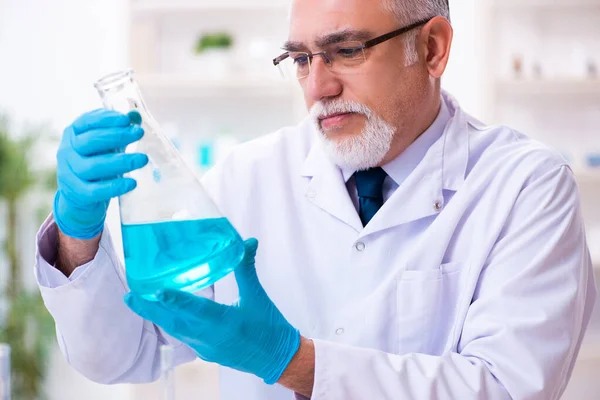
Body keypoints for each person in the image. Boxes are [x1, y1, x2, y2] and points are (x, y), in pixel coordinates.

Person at [34, 0, 596, 399]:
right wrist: (77, 234)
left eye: (346, 50)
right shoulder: (247, 176)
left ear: (431, 48)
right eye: (302, 59)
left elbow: (507, 388)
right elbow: (123, 353)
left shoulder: (525, 186)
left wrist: (294, 362)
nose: (319, 87)